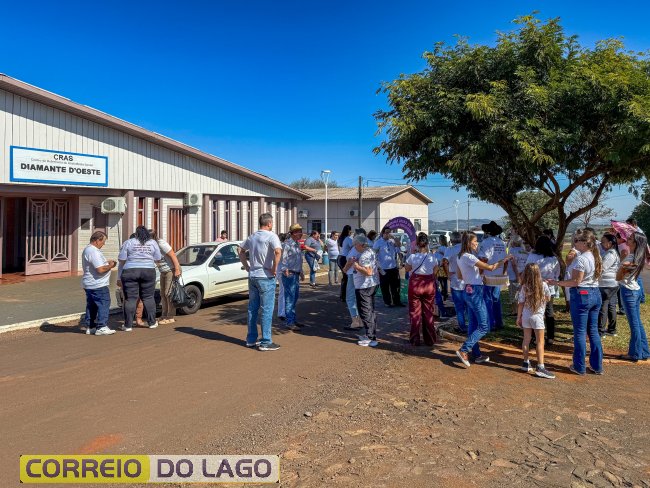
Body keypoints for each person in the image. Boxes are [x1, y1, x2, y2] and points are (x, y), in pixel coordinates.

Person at [548, 229, 603, 375]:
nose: (574, 243)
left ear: (584, 243)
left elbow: (575, 281)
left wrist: (557, 283)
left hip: (582, 294)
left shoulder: (581, 259)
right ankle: (597, 366)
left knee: (580, 332)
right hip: (595, 293)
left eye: (577, 240)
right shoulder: (595, 256)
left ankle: (579, 366)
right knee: (593, 331)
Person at [455, 232, 512, 368]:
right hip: (475, 292)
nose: (477, 243)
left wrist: (476, 276)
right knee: (484, 326)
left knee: (473, 324)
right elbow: (491, 268)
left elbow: (460, 276)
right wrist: (504, 259)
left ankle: (477, 355)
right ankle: (464, 349)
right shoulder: (469, 257)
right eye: (475, 241)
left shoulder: (460, 256)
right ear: (469, 242)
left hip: (468, 289)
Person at [238, 213, 282, 351]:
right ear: (269, 223)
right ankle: (266, 341)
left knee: (252, 308)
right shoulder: (271, 236)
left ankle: (251, 339)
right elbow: (278, 252)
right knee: (266, 309)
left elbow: (240, 250)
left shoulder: (252, 236)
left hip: (253, 276)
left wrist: (247, 266)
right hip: (266, 276)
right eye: (272, 222)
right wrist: (274, 268)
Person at [118, 226, 162, 331]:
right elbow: (158, 258)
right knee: (148, 297)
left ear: (136, 233)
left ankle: (128, 326)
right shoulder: (152, 243)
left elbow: (121, 259)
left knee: (130, 299)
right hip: (148, 271)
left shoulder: (129, 242)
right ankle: (152, 323)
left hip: (130, 271)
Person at [615, 232, 650, 362]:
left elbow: (618, 277)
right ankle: (644, 352)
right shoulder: (638, 256)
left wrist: (621, 268)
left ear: (635, 243)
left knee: (634, 324)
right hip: (634, 290)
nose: (627, 240)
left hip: (628, 291)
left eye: (630, 239)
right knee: (637, 323)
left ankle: (635, 353)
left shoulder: (631, 258)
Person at [517, 263, 555, 379]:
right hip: (537, 316)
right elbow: (548, 298)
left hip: (526, 316)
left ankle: (526, 363)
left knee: (526, 340)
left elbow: (520, 303)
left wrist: (518, 317)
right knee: (540, 342)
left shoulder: (524, 286)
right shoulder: (543, 285)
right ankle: (540, 366)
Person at [523, 235, 560, 345]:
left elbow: (527, 270)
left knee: (534, 310)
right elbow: (557, 273)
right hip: (549, 287)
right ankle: (550, 337)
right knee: (549, 311)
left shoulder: (532, 257)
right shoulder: (553, 258)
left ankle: (535, 336)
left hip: (534, 288)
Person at [344, 235, 380, 347]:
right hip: (371, 284)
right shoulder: (371, 251)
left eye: (355, 245)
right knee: (370, 311)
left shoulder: (365, 255)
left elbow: (368, 272)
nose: (354, 247)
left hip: (365, 287)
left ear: (360, 244)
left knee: (365, 312)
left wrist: (356, 266)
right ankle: (370, 334)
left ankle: (370, 338)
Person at [404, 233, 438, 347]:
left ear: (417, 244)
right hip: (428, 285)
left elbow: (407, 268)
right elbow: (435, 270)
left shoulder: (412, 257)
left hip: (415, 285)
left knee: (415, 313)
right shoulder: (432, 257)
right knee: (428, 312)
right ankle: (430, 339)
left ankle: (415, 339)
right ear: (427, 244)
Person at [82, 231, 117, 336]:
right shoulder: (93, 251)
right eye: (103, 241)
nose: (104, 244)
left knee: (92, 305)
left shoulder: (88, 249)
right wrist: (111, 265)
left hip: (90, 283)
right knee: (104, 303)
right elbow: (100, 269)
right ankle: (101, 326)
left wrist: (106, 263)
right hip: (98, 284)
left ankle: (90, 326)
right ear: (97, 240)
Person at [478, 221, 507, 330]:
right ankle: (499, 322)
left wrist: (480, 273)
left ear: (487, 232)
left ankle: (490, 323)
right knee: (496, 299)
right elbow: (505, 260)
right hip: (498, 274)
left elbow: (483, 259)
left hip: (488, 274)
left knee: (487, 300)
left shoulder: (485, 242)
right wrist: (503, 272)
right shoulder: (502, 242)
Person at [150, 230, 182, 325]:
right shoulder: (152, 246)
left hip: (171, 270)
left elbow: (173, 255)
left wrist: (177, 269)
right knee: (163, 294)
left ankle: (170, 316)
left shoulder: (161, 243)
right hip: (163, 271)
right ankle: (164, 315)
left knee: (169, 293)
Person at [278, 224, 306, 332]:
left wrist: (301, 271)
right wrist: (285, 269)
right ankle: (289, 322)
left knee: (294, 297)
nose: (301, 233)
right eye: (299, 231)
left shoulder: (297, 244)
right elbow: (284, 258)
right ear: (293, 233)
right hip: (289, 274)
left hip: (296, 273)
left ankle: (293, 319)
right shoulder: (287, 244)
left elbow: (299, 259)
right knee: (290, 298)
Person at [443, 231, 467, 333]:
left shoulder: (450, 249)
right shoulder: (466, 248)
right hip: (467, 279)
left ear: (452, 240)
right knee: (468, 304)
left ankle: (462, 326)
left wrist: (448, 274)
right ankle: (469, 325)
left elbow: (444, 262)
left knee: (459, 305)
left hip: (455, 280)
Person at [373, 227, 403, 307]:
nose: (388, 234)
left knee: (395, 286)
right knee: (385, 286)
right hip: (383, 268)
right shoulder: (378, 242)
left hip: (393, 267)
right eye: (386, 232)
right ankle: (387, 302)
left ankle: (397, 301)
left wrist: (394, 238)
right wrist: (377, 266)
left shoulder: (392, 241)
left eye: (389, 232)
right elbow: (374, 254)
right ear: (383, 233)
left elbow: (399, 246)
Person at [598, 233, 620, 337]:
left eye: (603, 242)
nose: (601, 244)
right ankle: (611, 329)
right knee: (611, 306)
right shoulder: (612, 253)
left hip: (607, 284)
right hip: (612, 283)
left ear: (610, 243)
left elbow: (602, 268)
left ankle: (601, 331)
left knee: (603, 306)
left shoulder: (610, 254)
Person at [504, 235, 529, 316]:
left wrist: (517, 275)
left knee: (513, 293)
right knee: (521, 293)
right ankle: (521, 311)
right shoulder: (524, 251)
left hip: (514, 275)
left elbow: (514, 264)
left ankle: (514, 311)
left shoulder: (512, 250)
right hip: (523, 275)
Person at [337, 225, 353, 302]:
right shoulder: (348, 238)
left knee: (345, 277)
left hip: (340, 257)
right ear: (348, 231)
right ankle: (344, 296)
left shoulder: (341, 238)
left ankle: (343, 295)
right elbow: (354, 247)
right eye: (350, 230)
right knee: (347, 278)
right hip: (344, 258)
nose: (351, 232)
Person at [277, 233, 287, 321]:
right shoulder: (284, 246)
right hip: (283, 270)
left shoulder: (276, 246)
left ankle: (281, 312)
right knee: (285, 292)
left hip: (278, 270)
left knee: (282, 292)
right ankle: (283, 312)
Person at [435, 236, 449, 301]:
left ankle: (443, 292)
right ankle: (445, 292)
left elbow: (443, 256)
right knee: (444, 280)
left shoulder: (441, 248)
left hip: (441, 265)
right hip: (444, 265)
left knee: (441, 280)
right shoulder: (446, 248)